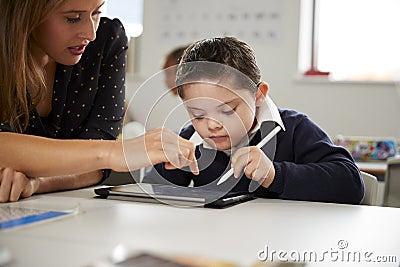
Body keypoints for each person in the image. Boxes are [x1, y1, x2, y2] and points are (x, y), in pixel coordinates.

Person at [0, 0, 198, 203]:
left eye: (96, 13)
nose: (90, 34)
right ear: (26, 14)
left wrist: (36, 182)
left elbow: (96, 167)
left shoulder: (106, 39)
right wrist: (114, 152)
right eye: (73, 18)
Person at [144, 37, 365, 204]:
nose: (212, 125)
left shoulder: (294, 129)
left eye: (228, 110)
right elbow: (150, 196)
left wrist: (274, 175)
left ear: (259, 95)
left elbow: (351, 184)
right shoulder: (190, 139)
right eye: (198, 114)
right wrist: (166, 169)